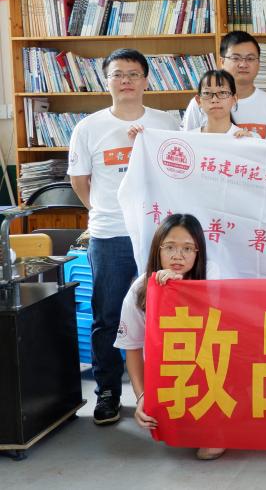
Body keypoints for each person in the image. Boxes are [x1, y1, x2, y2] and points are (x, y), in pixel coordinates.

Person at [68, 48, 181, 425]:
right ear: (107, 81)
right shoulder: (88, 128)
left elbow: (179, 171)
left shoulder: (166, 122)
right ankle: (108, 392)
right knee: (108, 314)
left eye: (133, 74)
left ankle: (165, 389)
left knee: (164, 312)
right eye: (118, 74)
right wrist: (104, 210)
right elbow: (80, 181)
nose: (126, 80)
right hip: (110, 233)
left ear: (147, 80)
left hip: (157, 234)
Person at [115, 214, 224, 461]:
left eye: (187, 248)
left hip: (207, 366)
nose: (178, 256)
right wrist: (142, 397)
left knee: (208, 444)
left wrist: (179, 289)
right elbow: (132, 348)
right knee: (161, 421)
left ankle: (215, 428)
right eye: (170, 247)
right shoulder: (140, 289)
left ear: (197, 252)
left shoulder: (210, 273)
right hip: (169, 372)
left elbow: (211, 328)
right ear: (158, 249)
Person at [181, 30, 266, 141]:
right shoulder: (201, 103)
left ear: (258, 63)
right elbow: (187, 144)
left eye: (250, 58)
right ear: (222, 61)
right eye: (235, 58)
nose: (243, 64)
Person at [189, 69, 250, 137]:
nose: (214, 100)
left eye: (222, 93)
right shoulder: (189, 138)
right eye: (207, 93)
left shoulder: (247, 138)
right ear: (198, 101)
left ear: (234, 99)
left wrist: (249, 142)